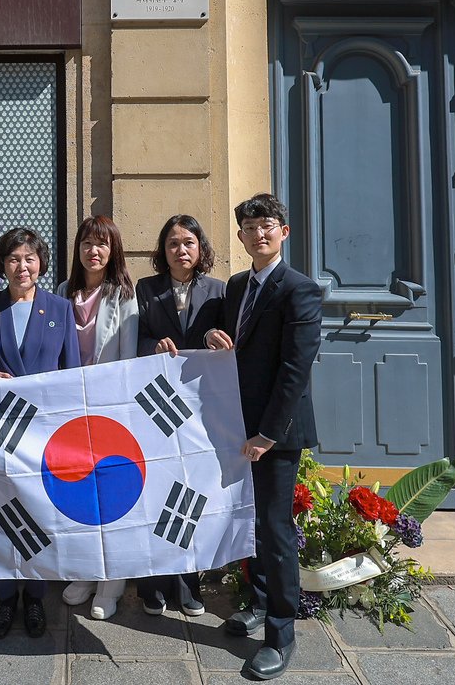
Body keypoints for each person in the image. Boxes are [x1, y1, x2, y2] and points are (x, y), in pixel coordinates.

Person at [205, 193, 322, 681]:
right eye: (250, 228)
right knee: (247, 522)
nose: (259, 234)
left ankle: (280, 632)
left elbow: (295, 370)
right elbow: (235, 345)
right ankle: (256, 603)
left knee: (275, 532)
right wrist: (214, 335)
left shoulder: (300, 290)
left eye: (267, 225)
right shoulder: (235, 287)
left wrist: (268, 434)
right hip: (236, 425)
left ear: (284, 232)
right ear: (241, 237)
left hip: (276, 433)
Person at [0, 227, 81, 639]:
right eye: (14, 259)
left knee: (41, 512)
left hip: (46, 433)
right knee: (5, 511)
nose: (22, 266)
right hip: (1, 430)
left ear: (41, 263)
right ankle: (5, 595)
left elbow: (72, 373)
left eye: (29, 258)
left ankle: (35, 596)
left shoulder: (60, 309)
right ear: (2, 265)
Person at [133, 213, 226, 617]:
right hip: (156, 406)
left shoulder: (221, 290)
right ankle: (152, 583)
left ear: (200, 248)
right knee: (155, 491)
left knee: (191, 492)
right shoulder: (145, 289)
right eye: (173, 243)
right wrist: (153, 344)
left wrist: (211, 337)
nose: (181, 249)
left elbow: (229, 336)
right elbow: (132, 339)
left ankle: (189, 583)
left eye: (188, 242)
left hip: (201, 409)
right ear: (162, 250)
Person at [55, 215, 137, 621]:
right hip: (71, 412)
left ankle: (111, 583)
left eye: (102, 244)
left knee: (112, 498)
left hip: (109, 412)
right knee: (80, 497)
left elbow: (128, 359)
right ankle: (86, 572)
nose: (94, 250)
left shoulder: (123, 295)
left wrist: (116, 407)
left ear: (113, 250)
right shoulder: (60, 293)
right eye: (88, 242)